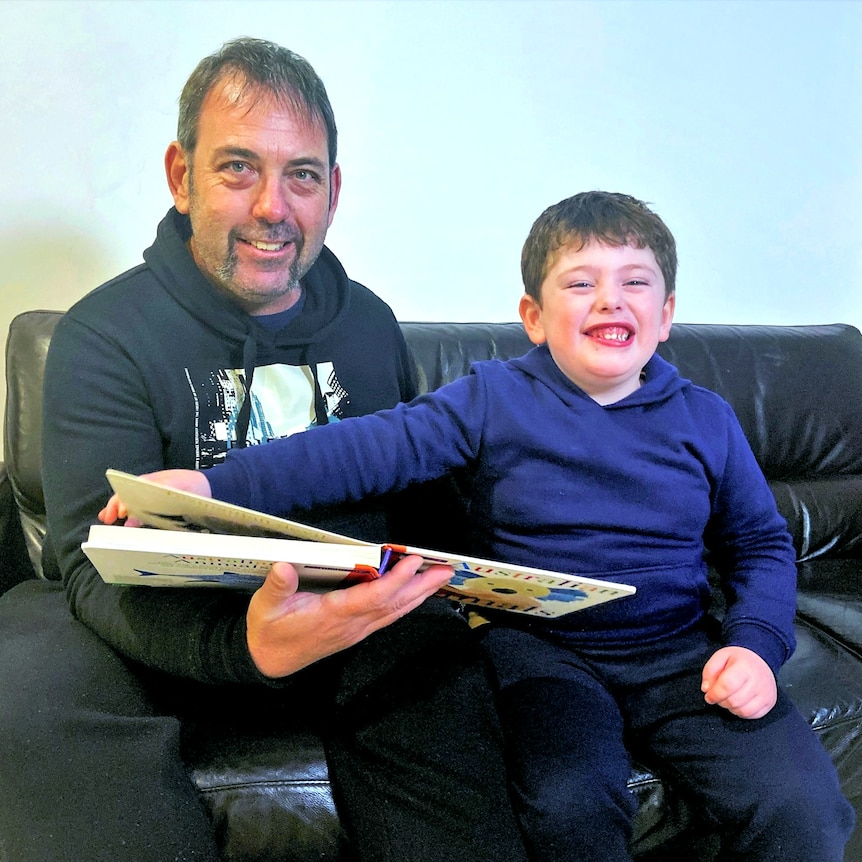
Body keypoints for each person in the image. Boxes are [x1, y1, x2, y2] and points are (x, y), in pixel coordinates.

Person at [107, 191, 856, 861]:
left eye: (635, 283)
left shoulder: (707, 420)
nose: (610, 300)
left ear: (665, 317)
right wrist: (210, 482)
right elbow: (365, 449)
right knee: (568, 803)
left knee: (805, 809)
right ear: (533, 317)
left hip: (681, 655)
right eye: (580, 282)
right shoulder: (493, 397)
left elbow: (760, 544)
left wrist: (757, 645)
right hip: (544, 656)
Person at [0, 38, 530, 862]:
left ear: (333, 191)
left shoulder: (367, 327)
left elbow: (422, 509)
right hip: (166, 636)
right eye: (238, 169)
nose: (273, 207)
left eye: (302, 175)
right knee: (25, 673)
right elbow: (87, 568)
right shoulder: (101, 337)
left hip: (348, 623)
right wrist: (243, 647)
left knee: (436, 665)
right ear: (182, 177)